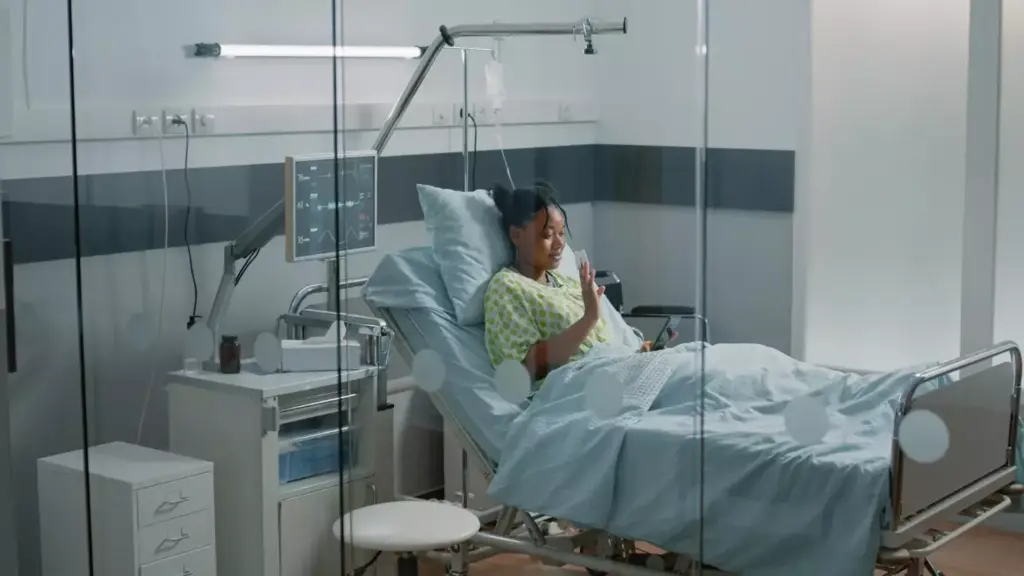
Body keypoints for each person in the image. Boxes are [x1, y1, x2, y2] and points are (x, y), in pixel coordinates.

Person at [483, 181, 652, 383]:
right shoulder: (507, 287)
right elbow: (522, 369)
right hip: (576, 387)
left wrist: (637, 355)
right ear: (516, 235)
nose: (560, 243)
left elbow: (599, 346)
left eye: (562, 233)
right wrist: (589, 318)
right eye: (547, 235)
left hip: (615, 371)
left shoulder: (567, 282)